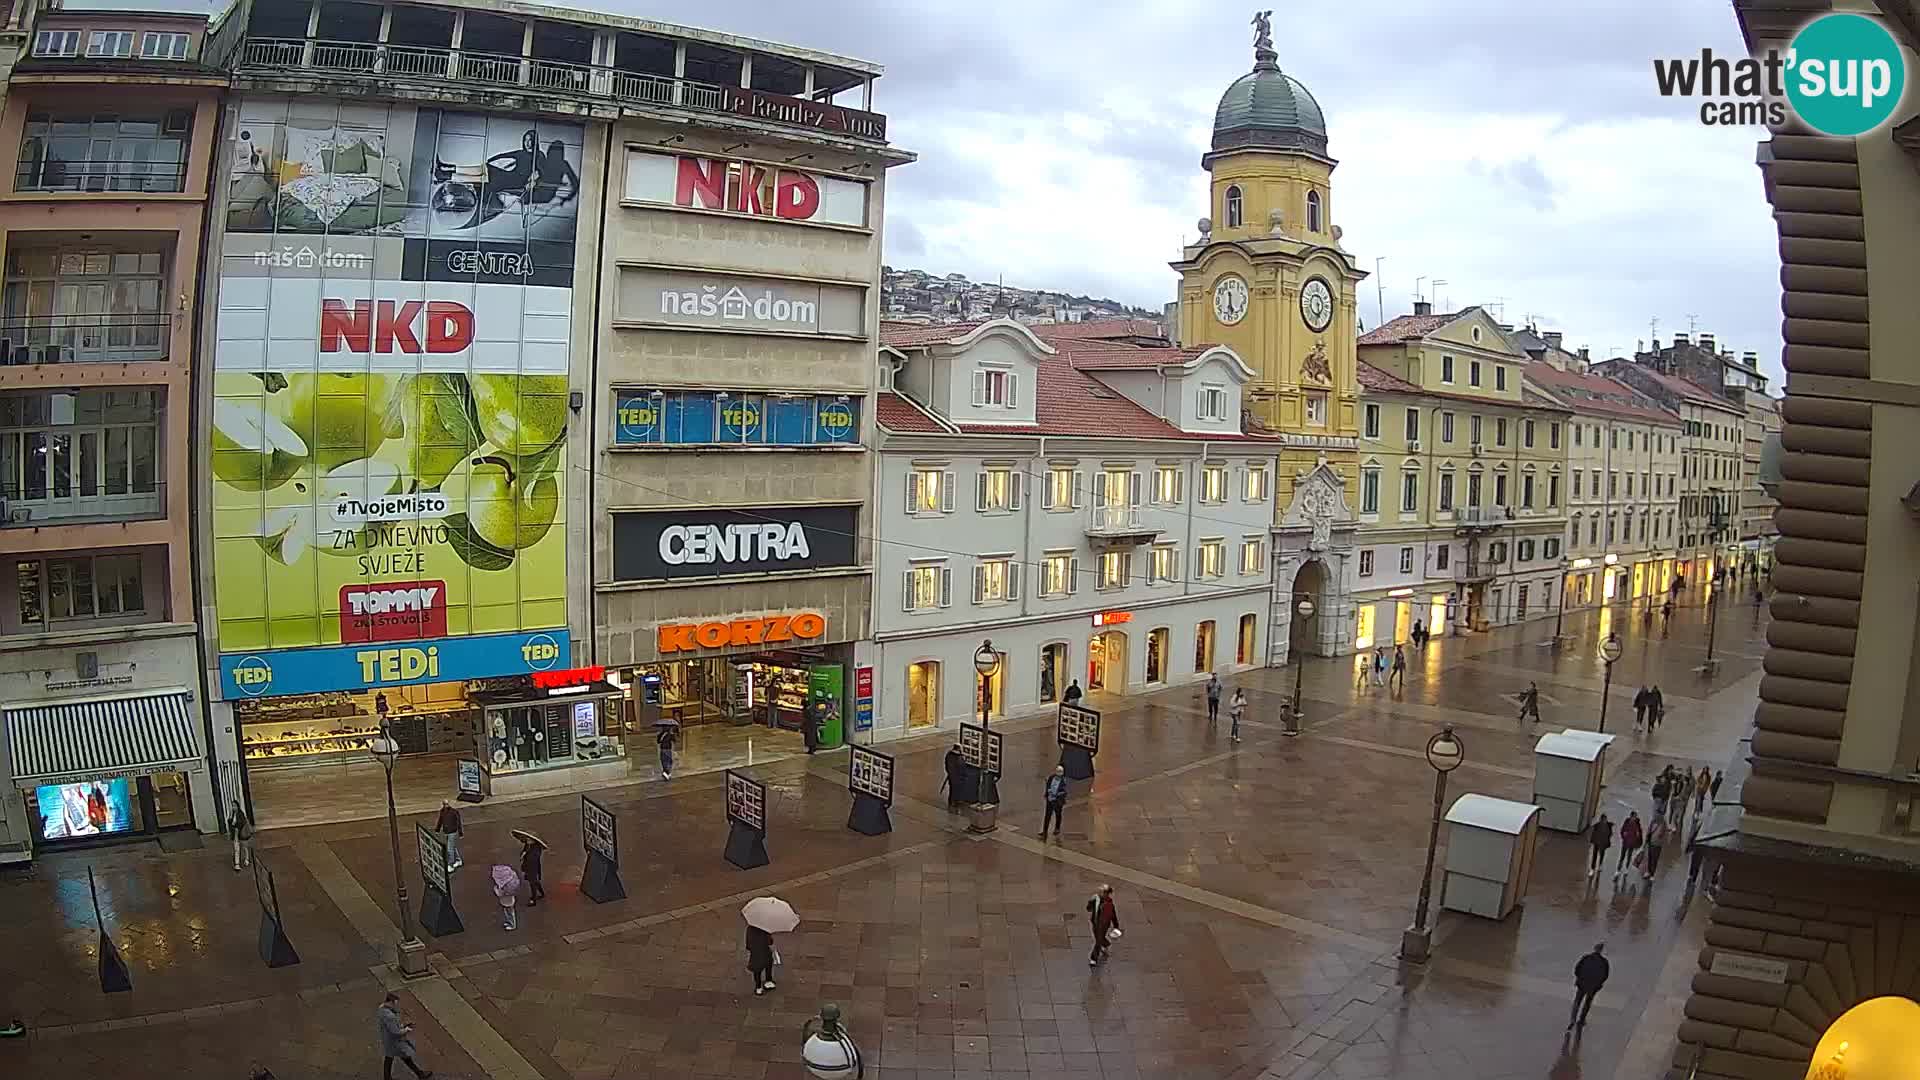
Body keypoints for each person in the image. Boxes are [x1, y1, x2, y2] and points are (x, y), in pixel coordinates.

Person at [376, 991, 433, 1079]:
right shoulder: (389, 1016)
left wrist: (403, 1025)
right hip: (394, 1042)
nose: (396, 1004)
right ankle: (420, 1074)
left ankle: (388, 1077)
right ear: (392, 1001)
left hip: (388, 1039)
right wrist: (406, 1029)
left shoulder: (382, 1008)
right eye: (395, 1002)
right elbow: (396, 1031)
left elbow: (391, 1026)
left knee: (390, 1057)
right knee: (404, 1057)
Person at [1567, 944, 1610, 1031]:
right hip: (1593, 987)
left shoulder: (1586, 957)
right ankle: (1582, 1020)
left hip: (1582, 984)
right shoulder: (1604, 962)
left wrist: (1579, 979)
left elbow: (1577, 969)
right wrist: (1598, 984)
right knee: (1587, 1002)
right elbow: (1605, 976)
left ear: (1594, 949)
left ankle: (1572, 1019)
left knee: (1577, 1001)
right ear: (1601, 951)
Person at [1087, 884, 1120, 966]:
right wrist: (1091, 902)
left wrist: (1116, 926)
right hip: (1095, 923)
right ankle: (1106, 944)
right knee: (1098, 938)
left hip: (1104, 925)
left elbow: (1113, 915)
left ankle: (1093, 959)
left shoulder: (1110, 903)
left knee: (1098, 941)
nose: (1102, 894)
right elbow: (1088, 909)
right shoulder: (1096, 900)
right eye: (1102, 892)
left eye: (1105, 892)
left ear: (1108, 893)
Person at [745, 924, 776, 995]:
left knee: (757, 970)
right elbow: (770, 942)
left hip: (755, 953)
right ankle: (768, 981)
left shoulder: (750, 929)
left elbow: (748, 945)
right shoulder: (765, 929)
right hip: (765, 951)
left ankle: (758, 987)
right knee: (768, 965)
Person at [1041, 765, 1068, 840]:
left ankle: (1057, 828)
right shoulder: (1051, 777)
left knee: (1058, 814)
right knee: (1047, 816)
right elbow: (1048, 785)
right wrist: (1048, 791)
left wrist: (1057, 794)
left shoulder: (1063, 781)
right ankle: (1045, 831)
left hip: (1057, 801)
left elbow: (1064, 792)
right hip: (1050, 799)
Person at [1615, 811, 1643, 880]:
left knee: (1629, 856)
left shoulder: (1637, 824)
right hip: (1625, 842)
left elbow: (1640, 835)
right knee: (1622, 856)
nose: (1634, 818)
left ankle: (1626, 869)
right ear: (1631, 816)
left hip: (1632, 844)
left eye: (1635, 817)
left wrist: (1638, 842)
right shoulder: (1627, 822)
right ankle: (1618, 870)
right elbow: (1622, 830)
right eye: (1634, 817)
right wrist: (1623, 836)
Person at [436, 800, 463, 871]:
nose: (446, 805)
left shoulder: (454, 812)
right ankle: (458, 860)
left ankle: (450, 865)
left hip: (452, 832)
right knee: (452, 846)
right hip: (447, 832)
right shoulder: (442, 811)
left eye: (447, 804)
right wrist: (437, 829)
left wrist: (460, 833)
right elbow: (440, 820)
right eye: (444, 804)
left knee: (449, 849)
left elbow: (458, 822)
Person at [520, 836, 545, 907]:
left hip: (533, 868)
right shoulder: (527, 845)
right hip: (528, 867)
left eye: (529, 839)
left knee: (532, 883)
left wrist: (525, 855)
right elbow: (524, 851)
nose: (527, 840)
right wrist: (523, 854)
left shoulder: (536, 849)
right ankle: (542, 893)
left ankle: (533, 900)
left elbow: (533, 858)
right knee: (535, 881)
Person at [229, 800, 254, 873]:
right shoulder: (232, 814)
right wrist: (230, 819)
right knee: (236, 849)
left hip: (241, 834)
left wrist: (236, 825)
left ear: (237, 806)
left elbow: (242, 823)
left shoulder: (241, 814)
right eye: (232, 806)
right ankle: (237, 864)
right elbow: (230, 824)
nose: (233, 808)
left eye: (234, 806)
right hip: (235, 835)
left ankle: (246, 859)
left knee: (244, 847)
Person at [1586, 812, 1613, 877]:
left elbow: (1610, 834)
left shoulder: (1608, 826)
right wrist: (1591, 841)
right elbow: (1592, 833)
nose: (1604, 821)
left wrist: (1607, 841)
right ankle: (1592, 869)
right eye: (1603, 820)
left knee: (1602, 854)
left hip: (1603, 843)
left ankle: (1600, 865)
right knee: (1594, 856)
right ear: (1601, 820)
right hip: (1597, 843)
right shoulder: (1597, 825)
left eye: (1605, 820)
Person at [492, 865, 519, 930]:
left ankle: (512, 925)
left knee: (509, 913)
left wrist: (496, 889)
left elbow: (499, 894)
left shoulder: (504, 887)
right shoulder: (511, 882)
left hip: (506, 901)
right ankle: (510, 922)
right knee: (509, 912)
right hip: (510, 900)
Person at [1644, 814, 1670, 879]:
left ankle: (1652, 874)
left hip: (1657, 845)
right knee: (1650, 858)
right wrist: (1646, 841)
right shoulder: (1653, 822)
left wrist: (1662, 841)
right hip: (1651, 843)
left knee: (1654, 859)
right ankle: (1648, 872)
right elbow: (1648, 831)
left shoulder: (1663, 825)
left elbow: (1664, 835)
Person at [943, 745, 966, 811]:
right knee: (956, 789)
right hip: (957, 776)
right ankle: (955, 802)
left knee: (952, 789)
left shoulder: (949, 755)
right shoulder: (958, 757)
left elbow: (947, 765)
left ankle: (951, 801)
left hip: (951, 776)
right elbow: (961, 766)